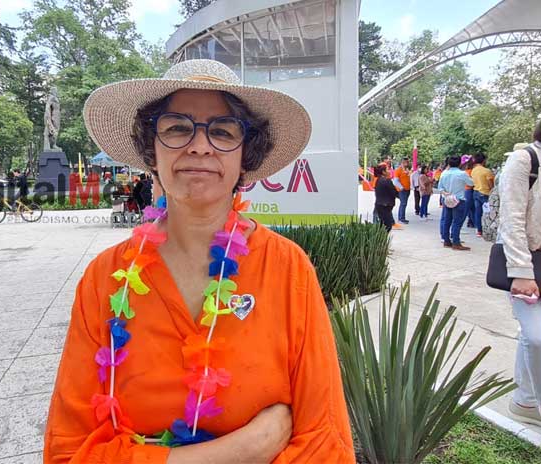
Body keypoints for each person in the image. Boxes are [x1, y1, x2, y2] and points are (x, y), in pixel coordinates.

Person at [44, 59, 355, 463]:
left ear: (246, 156)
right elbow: (69, 450)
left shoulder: (287, 267)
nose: (200, 145)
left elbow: (323, 438)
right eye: (177, 127)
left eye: (223, 131)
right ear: (150, 149)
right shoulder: (104, 277)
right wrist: (242, 450)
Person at [501, 121, 541, 427]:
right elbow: (511, 218)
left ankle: (524, 400)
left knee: (530, 336)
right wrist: (520, 270)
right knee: (536, 336)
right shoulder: (525, 160)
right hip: (529, 261)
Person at [438, 156, 474, 250]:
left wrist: (445, 193)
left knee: (447, 220)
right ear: (459, 163)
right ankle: (456, 242)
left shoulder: (444, 173)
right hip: (458, 199)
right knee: (457, 222)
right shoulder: (462, 173)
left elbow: (440, 187)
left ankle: (446, 240)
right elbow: (471, 183)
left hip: (447, 199)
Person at [471, 153, 495, 237]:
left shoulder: (473, 170)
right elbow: (491, 184)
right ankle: (488, 229)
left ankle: (479, 231)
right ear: (484, 160)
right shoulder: (486, 171)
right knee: (488, 212)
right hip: (485, 193)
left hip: (476, 192)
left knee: (478, 212)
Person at [374, 164, 398, 232]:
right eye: (387, 169)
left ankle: (381, 240)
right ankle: (381, 241)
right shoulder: (387, 181)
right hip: (385, 205)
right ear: (383, 172)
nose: (389, 171)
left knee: (382, 224)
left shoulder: (378, 180)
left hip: (380, 204)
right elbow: (394, 192)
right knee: (387, 226)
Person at [392, 158, 411, 224]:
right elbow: (395, 181)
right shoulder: (398, 170)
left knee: (404, 203)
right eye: (406, 162)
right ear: (403, 162)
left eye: (408, 162)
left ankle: (402, 217)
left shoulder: (407, 170)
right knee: (403, 203)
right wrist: (401, 187)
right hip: (402, 190)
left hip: (407, 189)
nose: (408, 163)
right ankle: (401, 218)